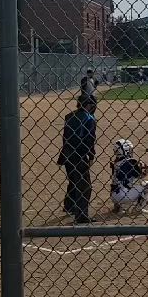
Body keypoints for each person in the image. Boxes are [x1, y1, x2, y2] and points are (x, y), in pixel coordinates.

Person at [57, 95, 97, 223]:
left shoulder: (69, 116)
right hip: (79, 154)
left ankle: (69, 206)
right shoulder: (89, 118)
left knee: (73, 180)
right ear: (88, 105)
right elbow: (89, 139)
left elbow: (66, 137)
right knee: (85, 186)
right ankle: (81, 216)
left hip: (67, 153)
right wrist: (91, 156)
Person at [110, 139, 148, 213]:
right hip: (123, 195)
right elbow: (141, 176)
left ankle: (118, 207)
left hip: (113, 195)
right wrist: (143, 170)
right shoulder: (131, 162)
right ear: (126, 150)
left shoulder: (116, 162)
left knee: (122, 183)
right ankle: (138, 208)